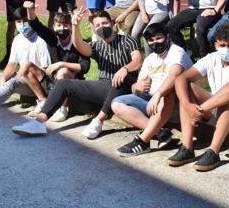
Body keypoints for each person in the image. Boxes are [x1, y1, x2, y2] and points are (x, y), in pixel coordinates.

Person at [11, 9, 143, 139]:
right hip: (103, 87)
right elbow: (80, 46)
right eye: (97, 25)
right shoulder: (97, 46)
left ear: (112, 23)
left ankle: (98, 121)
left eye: (104, 23)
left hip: (125, 88)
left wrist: (125, 68)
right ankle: (38, 122)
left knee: (123, 78)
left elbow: (137, 60)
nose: (101, 27)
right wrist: (75, 25)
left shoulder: (128, 41)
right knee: (64, 83)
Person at [169, 22, 229, 172]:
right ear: (215, 45)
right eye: (222, 45)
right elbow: (181, 79)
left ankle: (213, 151)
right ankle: (187, 148)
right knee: (187, 88)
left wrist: (200, 109)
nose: (226, 49)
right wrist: (187, 105)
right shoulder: (211, 59)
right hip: (219, 110)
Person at [112, 23, 193, 156]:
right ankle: (160, 133)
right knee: (117, 103)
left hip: (176, 105)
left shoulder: (177, 52)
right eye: (151, 40)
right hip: (152, 102)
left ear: (167, 37)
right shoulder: (150, 59)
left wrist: (158, 95)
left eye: (158, 38)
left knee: (168, 91)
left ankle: (143, 141)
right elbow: (137, 87)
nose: (155, 43)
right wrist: (136, 87)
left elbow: (175, 75)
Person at [22, 1, 90, 119]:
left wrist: (61, 64)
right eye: (59, 25)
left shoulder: (78, 43)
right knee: (27, 66)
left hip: (72, 84)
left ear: (70, 26)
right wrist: (30, 11)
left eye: (65, 25)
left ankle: (63, 108)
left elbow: (84, 67)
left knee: (62, 71)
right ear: (54, 26)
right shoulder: (53, 39)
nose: (62, 28)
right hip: (53, 81)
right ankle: (43, 101)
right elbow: (36, 25)